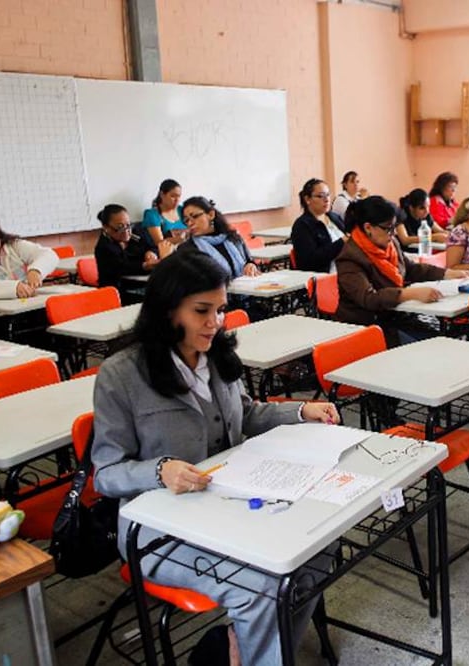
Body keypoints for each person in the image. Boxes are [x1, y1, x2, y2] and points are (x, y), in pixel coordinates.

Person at [91, 251, 340, 666]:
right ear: (168, 310)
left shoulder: (217, 354)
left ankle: (241, 648)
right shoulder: (122, 375)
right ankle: (255, 649)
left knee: (319, 552)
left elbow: (246, 414)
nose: (214, 322)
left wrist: (299, 411)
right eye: (201, 311)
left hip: (227, 507)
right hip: (158, 529)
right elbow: (106, 475)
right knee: (261, 588)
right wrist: (159, 470)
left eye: (221, 310)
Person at [335, 196, 469, 346]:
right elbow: (368, 298)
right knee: (427, 348)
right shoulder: (350, 258)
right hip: (367, 325)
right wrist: (407, 294)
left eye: (394, 227)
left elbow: (411, 268)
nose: (393, 233)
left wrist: (446, 274)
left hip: (396, 316)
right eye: (388, 228)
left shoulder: (390, 243)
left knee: (440, 342)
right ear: (368, 227)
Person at [178, 196, 259, 280]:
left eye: (195, 216)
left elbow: (249, 260)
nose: (190, 223)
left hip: (247, 290)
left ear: (211, 214)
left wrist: (251, 265)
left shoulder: (233, 238)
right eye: (186, 220)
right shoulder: (188, 249)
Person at [93, 204, 164, 299]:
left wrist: (151, 252)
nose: (127, 231)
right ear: (106, 227)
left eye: (128, 225)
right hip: (118, 291)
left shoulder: (135, 234)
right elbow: (122, 267)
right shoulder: (104, 247)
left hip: (142, 282)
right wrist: (144, 266)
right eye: (120, 227)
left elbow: (152, 246)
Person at [290, 178, 346, 273]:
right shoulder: (302, 225)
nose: (326, 199)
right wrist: (341, 243)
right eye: (321, 196)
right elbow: (310, 261)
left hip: (347, 270)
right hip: (325, 275)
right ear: (307, 199)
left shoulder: (334, 217)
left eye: (328, 195)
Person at [142, 179, 187, 246]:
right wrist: (181, 238)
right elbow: (159, 242)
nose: (177, 200)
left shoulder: (182, 210)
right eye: (173, 196)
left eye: (179, 196)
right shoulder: (152, 215)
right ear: (162, 195)